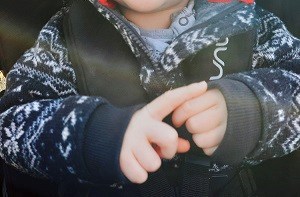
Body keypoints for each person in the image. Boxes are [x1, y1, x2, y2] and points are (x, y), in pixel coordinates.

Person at [0, 0, 299, 196]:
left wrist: (250, 111)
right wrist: (94, 134)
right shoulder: (65, 37)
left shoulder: (252, 24)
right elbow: (13, 125)